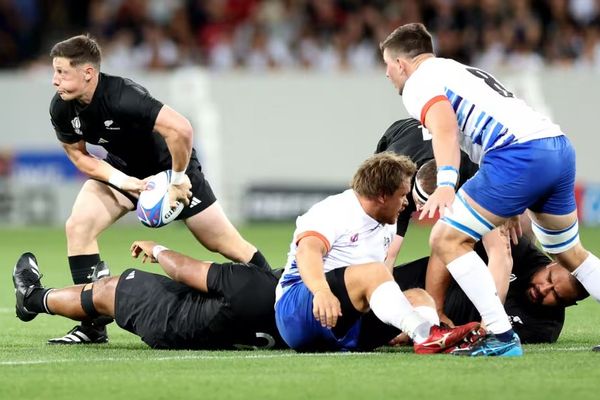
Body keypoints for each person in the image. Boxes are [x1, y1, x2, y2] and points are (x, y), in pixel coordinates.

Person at [380, 22, 600, 356]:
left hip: (518, 155)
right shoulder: (456, 69)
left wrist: (445, 184)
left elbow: (445, 129)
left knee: (445, 238)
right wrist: (507, 202)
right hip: (556, 147)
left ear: (400, 64)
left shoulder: (418, 82)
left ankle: (500, 336)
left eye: (387, 66)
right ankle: (499, 334)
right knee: (571, 255)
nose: (387, 75)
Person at [48, 34, 271, 344]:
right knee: (79, 226)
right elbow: (78, 156)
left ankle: (277, 290)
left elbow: (181, 129)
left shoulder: (123, 96)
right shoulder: (62, 108)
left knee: (224, 243)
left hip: (171, 170)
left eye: (62, 72)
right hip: (126, 170)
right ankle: (92, 325)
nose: (54, 80)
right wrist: (122, 182)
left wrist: (179, 177)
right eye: (54, 71)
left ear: (88, 72)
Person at [274, 152, 481, 354]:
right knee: (374, 271)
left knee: (420, 298)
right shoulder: (335, 210)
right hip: (300, 311)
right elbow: (307, 251)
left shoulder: (386, 225)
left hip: (348, 323)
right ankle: (427, 335)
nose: (406, 202)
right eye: (402, 195)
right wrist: (321, 291)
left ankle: (431, 338)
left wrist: (399, 320)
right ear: (382, 195)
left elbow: (378, 286)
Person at [12, 243, 284, 350]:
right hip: (216, 331)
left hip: (174, 319)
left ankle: (32, 299)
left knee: (110, 289)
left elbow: (184, 271)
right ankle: (99, 315)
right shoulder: (313, 321)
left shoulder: (251, 283)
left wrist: (157, 250)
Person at [357, 231, 589, 351]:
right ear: (551, 263)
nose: (543, 289)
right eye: (548, 278)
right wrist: (434, 310)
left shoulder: (543, 328)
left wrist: (425, 329)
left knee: (353, 334)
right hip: (409, 283)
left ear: (568, 304)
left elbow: (481, 337)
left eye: (555, 295)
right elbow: (444, 243)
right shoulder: (515, 250)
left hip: (426, 328)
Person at [374, 118, 478, 268]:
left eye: (428, 208)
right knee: (384, 244)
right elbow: (390, 254)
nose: (418, 212)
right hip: (404, 133)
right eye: (419, 203)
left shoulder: (472, 172)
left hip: (451, 147)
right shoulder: (392, 174)